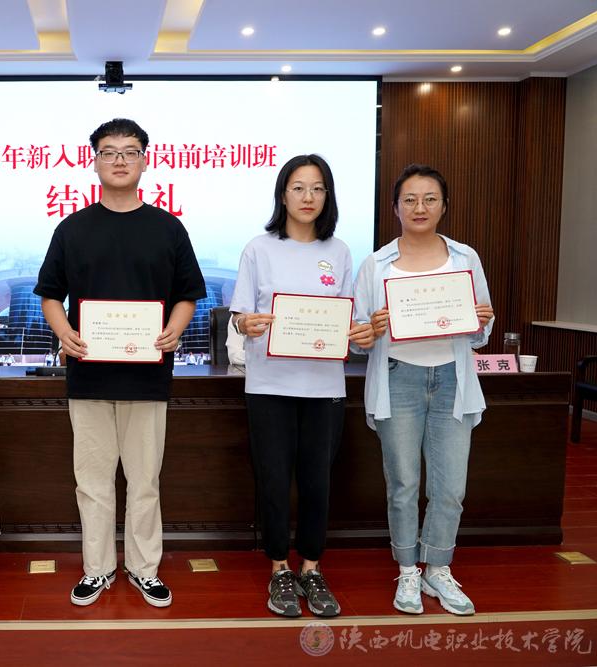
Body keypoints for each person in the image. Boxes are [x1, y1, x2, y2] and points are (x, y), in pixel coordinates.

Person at [35, 118, 206, 608]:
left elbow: (188, 293)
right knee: (92, 482)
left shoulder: (168, 227)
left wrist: (175, 328)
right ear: (94, 162)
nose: (119, 160)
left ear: (144, 161)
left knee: (144, 481)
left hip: (148, 377)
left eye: (130, 151)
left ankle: (143, 568)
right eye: (109, 152)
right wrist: (64, 331)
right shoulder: (73, 228)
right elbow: (50, 294)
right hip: (89, 375)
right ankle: (97, 568)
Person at [230, 154, 375, 618]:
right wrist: (247, 323)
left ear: (327, 196)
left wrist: (361, 332)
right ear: (283, 194)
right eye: (298, 187)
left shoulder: (340, 251)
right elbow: (239, 316)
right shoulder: (259, 249)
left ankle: (311, 567)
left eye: (317, 188)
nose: (308, 197)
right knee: (273, 479)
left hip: (323, 387)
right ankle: (279, 569)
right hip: (269, 385)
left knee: (317, 483)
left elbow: (349, 318)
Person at [354, 164, 493, 616]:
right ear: (395, 208)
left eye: (430, 198)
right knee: (403, 483)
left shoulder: (465, 258)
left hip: (452, 378)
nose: (420, 207)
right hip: (399, 378)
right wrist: (369, 331)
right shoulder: (376, 264)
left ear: (443, 206)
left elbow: (480, 335)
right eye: (410, 199)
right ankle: (407, 569)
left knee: (451, 486)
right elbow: (356, 335)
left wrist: (481, 320)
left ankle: (438, 567)